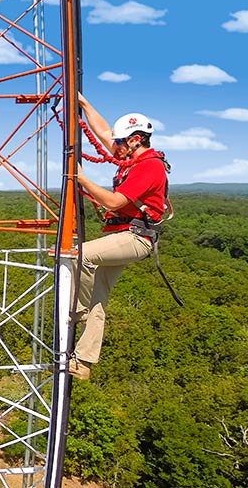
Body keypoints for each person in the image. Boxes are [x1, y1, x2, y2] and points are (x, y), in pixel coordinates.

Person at [69, 94, 169, 380]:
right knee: (99, 299)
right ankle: (84, 361)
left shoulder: (149, 166)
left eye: (120, 142)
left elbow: (114, 202)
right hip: (120, 234)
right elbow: (102, 132)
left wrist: (83, 180)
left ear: (136, 140)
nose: (114, 147)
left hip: (134, 237)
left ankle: (76, 311)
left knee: (80, 255)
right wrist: (85, 104)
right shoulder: (132, 160)